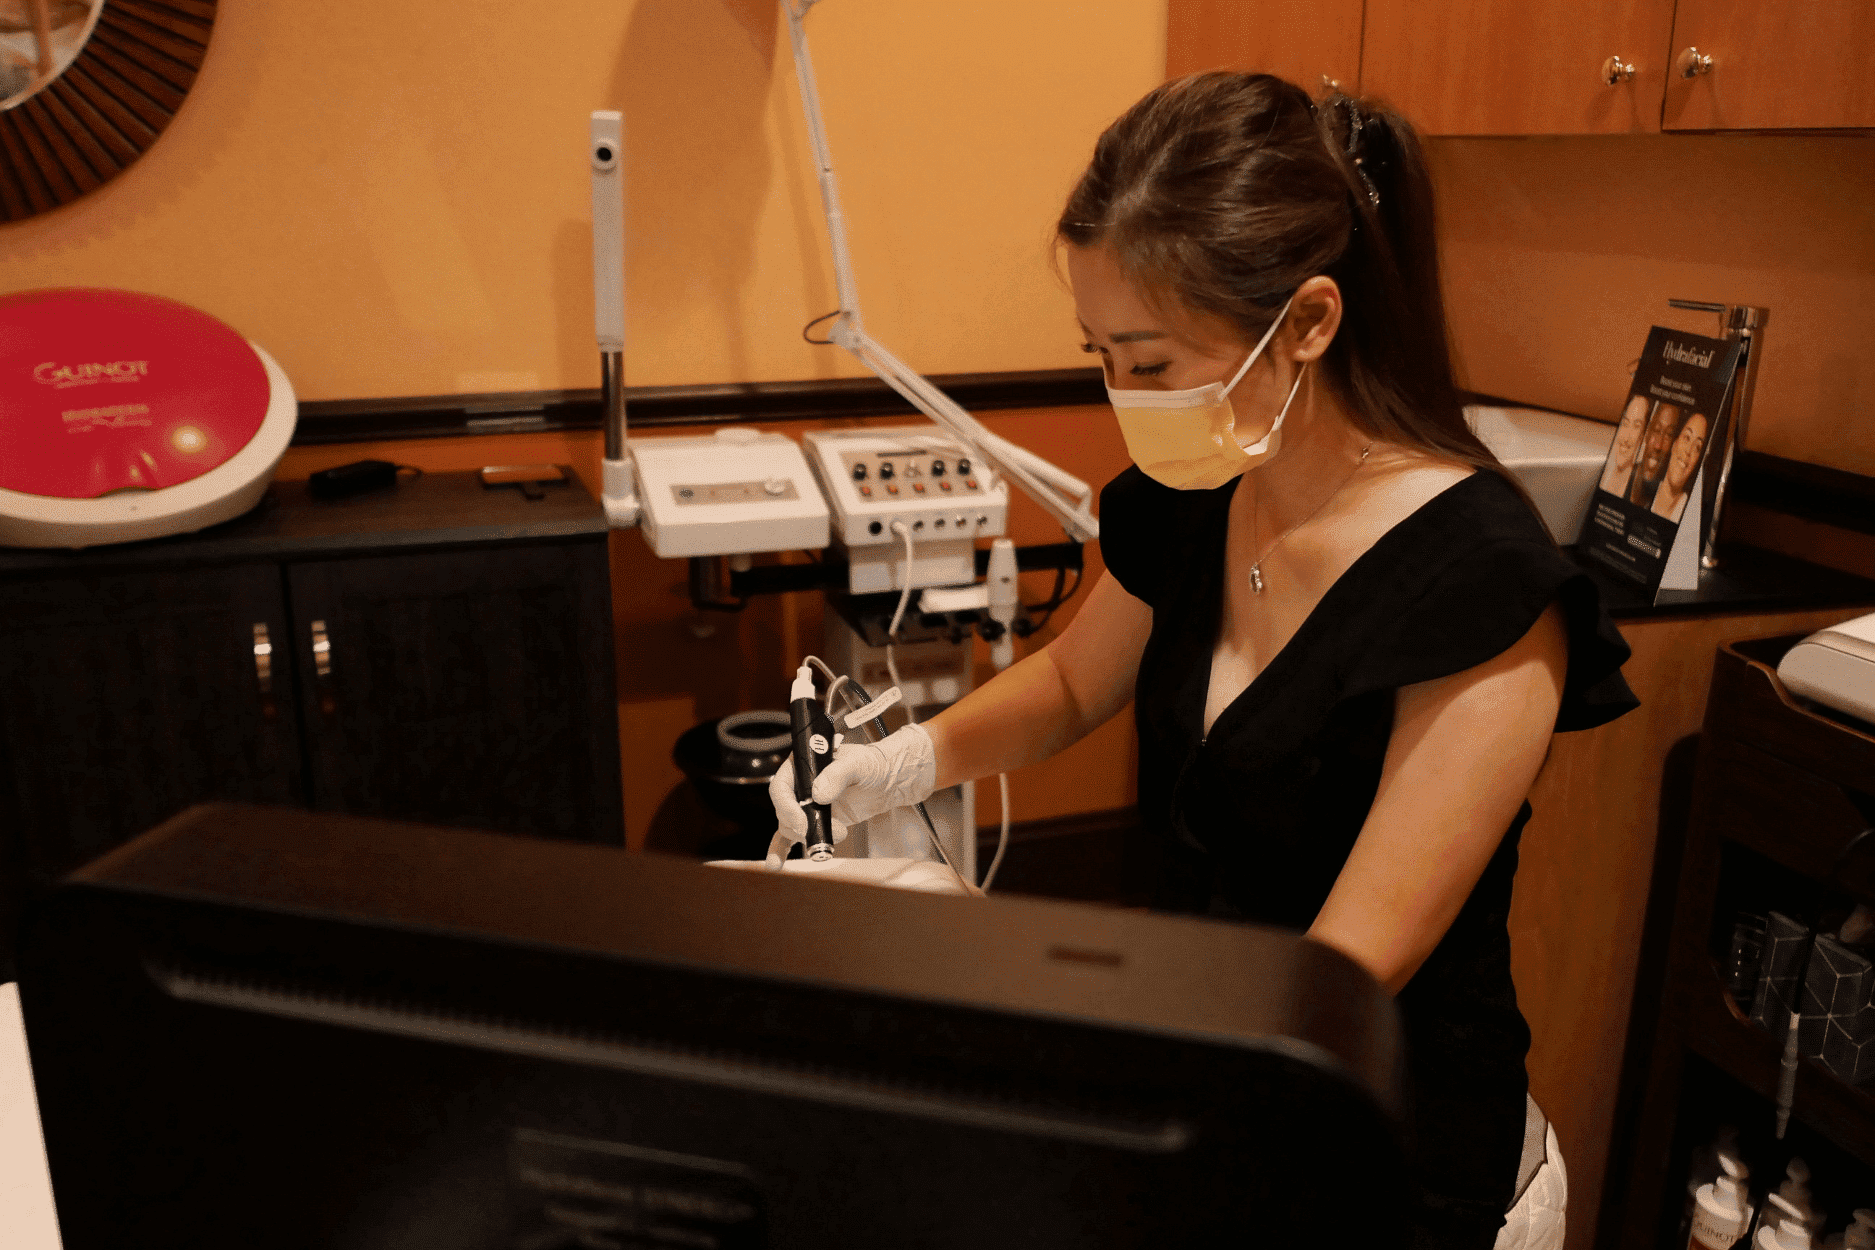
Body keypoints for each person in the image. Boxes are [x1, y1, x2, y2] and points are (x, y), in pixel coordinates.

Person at [769, 72, 1636, 1249]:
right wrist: (908, 758)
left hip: (1388, 1138)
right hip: (1220, 1082)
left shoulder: (1482, 585)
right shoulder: (1204, 489)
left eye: (1151, 359)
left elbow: (1348, 964)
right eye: (1100, 353)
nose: (1120, 395)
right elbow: (1076, 682)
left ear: (1312, 322)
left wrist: (1043, 1013)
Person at [1650, 411, 1708, 523]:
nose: (1688, 450)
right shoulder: (1642, 491)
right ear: (1674, 444)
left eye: (1697, 447)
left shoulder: (1693, 520)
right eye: (1687, 437)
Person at [1627, 402, 1684, 508]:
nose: (1658, 445)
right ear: (1647, 432)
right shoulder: (1623, 477)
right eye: (1657, 430)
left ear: (1675, 444)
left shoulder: (1668, 503)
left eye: (1669, 435)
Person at [1599, 394, 1651, 497]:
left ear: (1643, 436)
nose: (1626, 438)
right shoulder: (1602, 476)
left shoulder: (1637, 494)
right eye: (1625, 423)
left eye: (1636, 426)